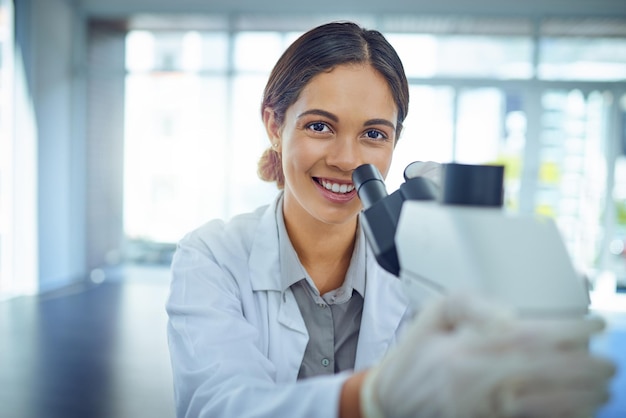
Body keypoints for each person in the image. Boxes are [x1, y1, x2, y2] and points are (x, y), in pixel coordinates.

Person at [166, 21, 615, 418]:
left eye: (373, 134)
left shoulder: (421, 259)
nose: (346, 160)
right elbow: (218, 405)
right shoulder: (212, 257)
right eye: (319, 126)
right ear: (274, 125)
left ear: (396, 141)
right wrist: (373, 399)